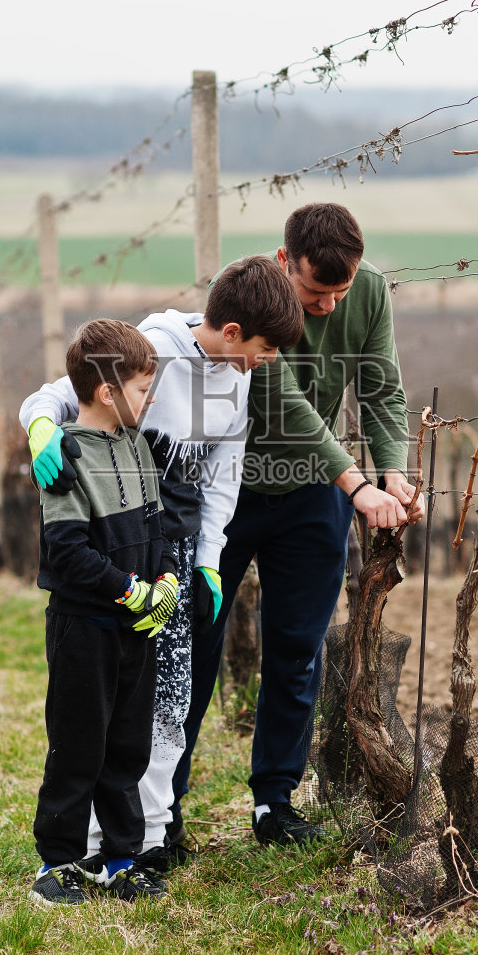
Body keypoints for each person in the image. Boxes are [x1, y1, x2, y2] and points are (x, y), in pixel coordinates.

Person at [20, 256, 305, 872]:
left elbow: (223, 473)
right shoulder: (151, 349)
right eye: (265, 347)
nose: (269, 360)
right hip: (119, 549)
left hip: (175, 559)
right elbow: (52, 396)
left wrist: (209, 559)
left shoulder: (240, 374)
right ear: (232, 332)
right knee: (106, 703)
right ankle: (87, 845)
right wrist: (42, 428)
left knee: (167, 701)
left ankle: (148, 837)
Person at [177, 201, 425, 847]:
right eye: (317, 291)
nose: (330, 308)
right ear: (287, 263)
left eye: (341, 292)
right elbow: (281, 400)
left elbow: (380, 387)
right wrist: (357, 482)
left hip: (313, 497)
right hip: (227, 493)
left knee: (296, 654)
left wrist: (393, 470)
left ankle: (274, 804)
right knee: (194, 649)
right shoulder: (256, 295)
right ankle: (161, 808)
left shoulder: (366, 293)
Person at [28, 318, 179, 906]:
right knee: (78, 745)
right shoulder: (66, 455)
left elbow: (159, 527)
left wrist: (164, 584)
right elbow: (66, 551)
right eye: (143, 389)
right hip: (84, 626)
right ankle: (57, 862)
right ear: (108, 391)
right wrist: (127, 589)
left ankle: (121, 859)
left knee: (127, 747)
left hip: (135, 625)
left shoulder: (139, 447)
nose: (151, 399)